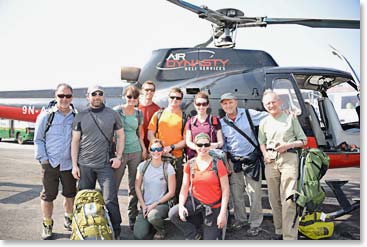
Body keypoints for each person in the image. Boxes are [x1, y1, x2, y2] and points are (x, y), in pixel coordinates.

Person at [71, 85, 125, 239]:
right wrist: (75, 165)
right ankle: (82, 228)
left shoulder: (112, 114)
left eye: (100, 94)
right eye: (93, 94)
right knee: (83, 199)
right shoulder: (80, 116)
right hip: (85, 165)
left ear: (104, 96)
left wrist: (119, 157)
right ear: (88, 96)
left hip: (105, 165)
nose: (97, 97)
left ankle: (115, 230)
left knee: (110, 199)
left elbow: (121, 136)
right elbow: (75, 141)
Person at [258, 89, 307, 240]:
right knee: (274, 199)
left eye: (273, 102)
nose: (271, 105)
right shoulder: (263, 122)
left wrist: (287, 145)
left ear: (279, 102)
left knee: (289, 198)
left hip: (288, 159)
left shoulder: (291, 118)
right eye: (268, 103)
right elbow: (262, 142)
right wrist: (265, 153)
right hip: (271, 161)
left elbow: (303, 141)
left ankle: (289, 237)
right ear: (264, 105)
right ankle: (279, 231)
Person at [220, 92, 267, 236]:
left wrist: (286, 112)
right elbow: (225, 145)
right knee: (236, 194)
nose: (228, 106)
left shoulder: (248, 114)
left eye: (231, 102)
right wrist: (226, 162)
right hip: (234, 162)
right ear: (222, 106)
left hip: (251, 161)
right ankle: (240, 219)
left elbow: (269, 116)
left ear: (236, 102)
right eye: (225, 103)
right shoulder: (222, 123)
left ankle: (255, 223)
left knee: (254, 193)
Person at [34, 83, 77, 240]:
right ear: (55, 97)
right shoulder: (46, 116)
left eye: (67, 96)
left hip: (68, 164)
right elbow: (38, 139)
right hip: (50, 164)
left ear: (72, 97)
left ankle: (69, 217)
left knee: (70, 194)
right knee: (48, 196)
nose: (64, 99)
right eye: (61, 95)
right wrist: (43, 160)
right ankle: (47, 224)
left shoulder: (75, 116)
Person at [168, 133, 229, 240]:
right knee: (173, 214)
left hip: (213, 207)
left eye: (206, 145)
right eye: (200, 145)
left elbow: (225, 189)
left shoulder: (218, 164)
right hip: (196, 203)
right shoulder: (190, 164)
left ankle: (207, 229)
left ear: (210, 145)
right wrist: (181, 205)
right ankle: (193, 234)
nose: (203, 148)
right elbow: (185, 186)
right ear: (195, 146)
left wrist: (222, 213)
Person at [113, 85, 147, 230]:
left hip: (135, 151)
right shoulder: (117, 111)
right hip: (119, 153)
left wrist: (144, 149)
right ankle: (113, 218)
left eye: (135, 97)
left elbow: (139, 134)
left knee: (134, 187)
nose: (132, 99)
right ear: (124, 97)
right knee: (113, 186)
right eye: (129, 97)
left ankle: (132, 217)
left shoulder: (139, 113)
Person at [147, 87, 186, 203]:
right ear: (168, 98)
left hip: (176, 158)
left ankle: (174, 216)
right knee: (158, 187)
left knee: (175, 190)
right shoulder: (159, 114)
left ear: (181, 100)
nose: (175, 100)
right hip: (159, 157)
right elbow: (150, 133)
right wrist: (157, 147)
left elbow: (185, 140)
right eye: (172, 97)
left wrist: (171, 147)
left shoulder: (184, 117)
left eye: (178, 98)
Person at [133, 139, 176, 240]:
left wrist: (154, 204)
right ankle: (152, 224)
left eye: (159, 149)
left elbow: (171, 192)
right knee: (138, 235)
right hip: (146, 205)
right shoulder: (143, 166)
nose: (156, 152)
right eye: (153, 149)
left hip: (161, 204)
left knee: (153, 216)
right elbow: (137, 187)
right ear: (149, 150)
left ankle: (162, 229)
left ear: (162, 150)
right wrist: (143, 206)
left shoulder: (168, 167)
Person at [185, 91, 224, 159]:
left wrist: (213, 145)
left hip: (211, 157)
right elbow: (188, 142)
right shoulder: (190, 122)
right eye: (198, 104)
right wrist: (198, 148)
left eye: (204, 104)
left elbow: (221, 142)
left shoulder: (214, 120)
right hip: (195, 157)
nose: (201, 106)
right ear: (194, 105)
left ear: (208, 105)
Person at [138, 80, 161, 150]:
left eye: (152, 90)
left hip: (152, 147)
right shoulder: (136, 107)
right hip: (137, 146)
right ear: (142, 91)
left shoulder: (158, 109)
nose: (149, 92)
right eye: (147, 90)